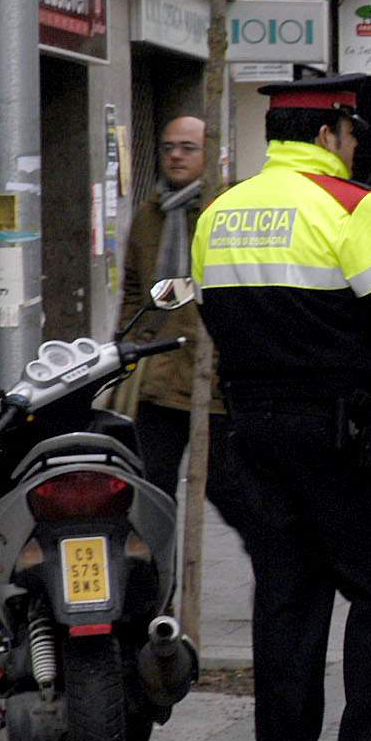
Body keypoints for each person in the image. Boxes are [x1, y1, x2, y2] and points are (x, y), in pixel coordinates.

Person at [191, 75, 371, 741]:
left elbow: (214, 314)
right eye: (350, 134)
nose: (352, 148)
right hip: (346, 436)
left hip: (253, 434)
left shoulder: (220, 213)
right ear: (329, 133)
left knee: (286, 602)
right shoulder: (351, 206)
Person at [116, 115, 252, 540]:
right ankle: (156, 581)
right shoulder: (148, 213)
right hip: (157, 378)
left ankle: (276, 569)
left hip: (215, 380)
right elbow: (135, 290)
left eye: (187, 148)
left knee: (229, 488)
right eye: (167, 147)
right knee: (150, 492)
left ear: (211, 154)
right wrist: (127, 344)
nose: (175, 156)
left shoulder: (231, 213)